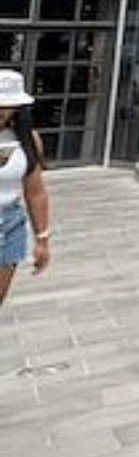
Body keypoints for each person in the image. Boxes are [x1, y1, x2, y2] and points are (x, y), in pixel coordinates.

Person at [0, 70, 52, 309]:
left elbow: (35, 191)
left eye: (8, 104)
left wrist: (42, 239)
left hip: (10, 223)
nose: (2, 110)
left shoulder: (27, 139)